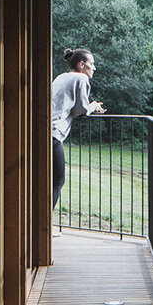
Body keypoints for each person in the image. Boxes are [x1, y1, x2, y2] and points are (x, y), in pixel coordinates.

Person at [52, 47, 105, 209]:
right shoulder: (81, 79)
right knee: (57, 181)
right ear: (81, 64)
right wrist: (93, 106)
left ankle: (38, 226)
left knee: (43, 180)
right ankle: (43, 229)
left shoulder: (62, 77)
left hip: (40, 131)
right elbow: (81, 110)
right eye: (92, 64)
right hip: (53, 133)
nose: (94, 68)